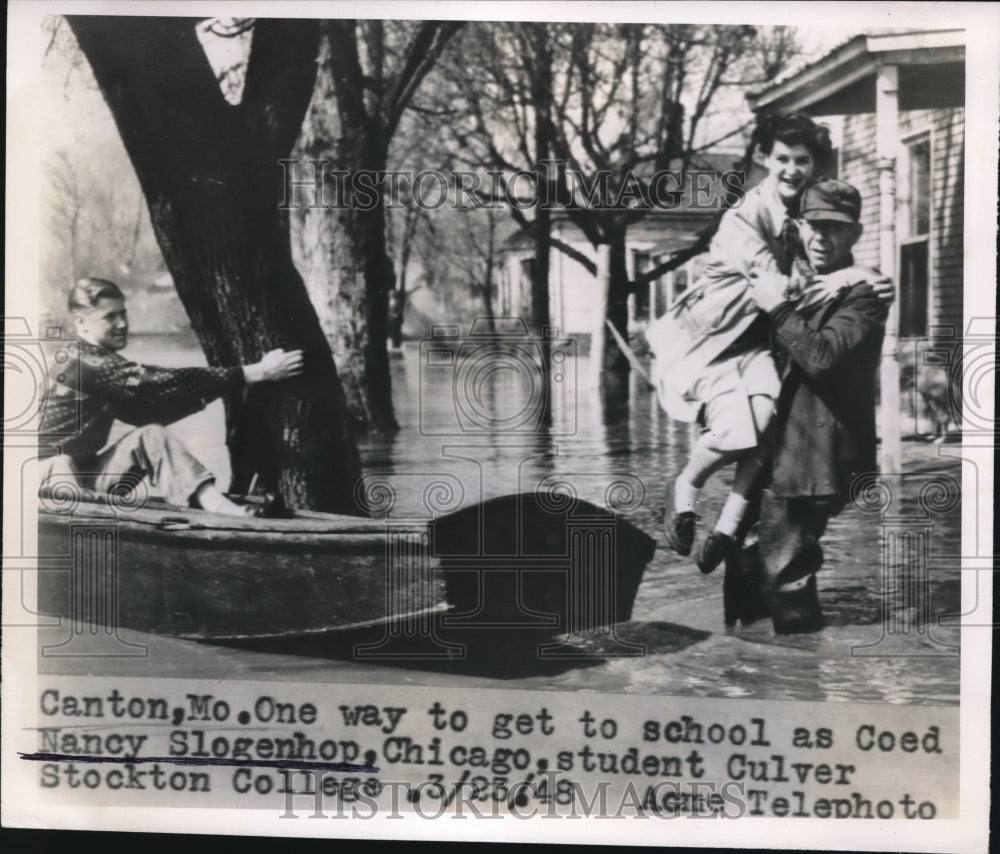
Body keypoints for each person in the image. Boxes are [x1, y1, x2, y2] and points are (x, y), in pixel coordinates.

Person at [647, 114, 836, 572]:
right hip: (711, 340)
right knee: (736, 430)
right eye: (783, 159)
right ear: (764, 159)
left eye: (803, 161)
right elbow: (774, 281)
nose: (792, 169)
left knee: (767, 420)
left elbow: (820, 263)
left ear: (813, 165)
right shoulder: (744, 216)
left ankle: (727, 526)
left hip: (758, 345)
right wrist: (844, 278)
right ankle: (686, 488)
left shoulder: (803, 212)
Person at [736, 178, 889, 634]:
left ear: (855, 235)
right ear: (799, 227)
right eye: (813, 226)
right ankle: (747, 675)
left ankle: (802, 683)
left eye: (835, 229)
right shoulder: (800, 283)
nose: (822, 238)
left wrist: (778, 310)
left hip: (814, 456)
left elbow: (820, 358)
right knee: (744, 566)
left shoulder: (866, 295)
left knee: (787, 574)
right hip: (774, 445)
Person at [38, 278, 304, 517]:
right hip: (42, 479)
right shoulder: (82, 362)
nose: (123, 324)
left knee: (151, 434)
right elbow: (161, 381)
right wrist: (257, 372)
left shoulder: (101, 365)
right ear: (80, 321)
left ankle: (226, 510)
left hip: (82, 477)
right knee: (62, 463)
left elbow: (148, 414)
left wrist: (215, 390)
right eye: (110, 317)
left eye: (124, 313)